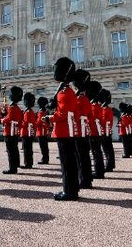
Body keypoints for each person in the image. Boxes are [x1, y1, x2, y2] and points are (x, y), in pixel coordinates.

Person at [44, 57, 80, 201]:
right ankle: (73, 189)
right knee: (70, 161)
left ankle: (69, 192)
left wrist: (49, 118)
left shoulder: (64, 92)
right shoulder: (68, 91)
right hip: (68, 131)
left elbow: (62, 114)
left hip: (64, 131)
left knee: (67, 163)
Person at [73, 69, 93, 188]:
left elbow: (74, 115)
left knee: (80, 157)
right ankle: (87, 178)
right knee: (84, 156)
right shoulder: (85, 98)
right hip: (84, 129)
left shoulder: (79, 99)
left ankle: (84, 180)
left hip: (78, 130)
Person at [1, 86, 23, 174]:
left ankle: (12, 168)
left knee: (10, 150)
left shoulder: (12, 107)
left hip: (10, 130)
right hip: (15, 130)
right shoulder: (17, 108)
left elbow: (9, 118)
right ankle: (16, 164)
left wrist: (2, 120)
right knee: (15, 149)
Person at [87, 80, 105, 179]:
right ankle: (99, 170)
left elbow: (91, 119)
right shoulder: (97, 105)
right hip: (95, 130)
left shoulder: (94, 106)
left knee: (96, 152)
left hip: (93, 131)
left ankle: (99, 172)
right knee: (96, 151)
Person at [98, 89, 115, 171]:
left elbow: (105, 121)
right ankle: (110, 165)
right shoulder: (104, 109)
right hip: (104, 131)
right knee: (107, 149)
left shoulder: (106, 109)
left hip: (105, 131)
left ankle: (109, 165)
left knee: (107, 149)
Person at [35, 97, 50, 164]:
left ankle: (45, 159)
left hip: (41, 131)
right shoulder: (44, 110)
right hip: (43, 130)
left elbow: (39, 122)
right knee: (44, 146)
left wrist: (34, 123)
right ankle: (45, 158)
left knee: (43, 146)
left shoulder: (41, 111)